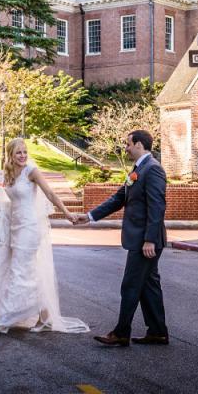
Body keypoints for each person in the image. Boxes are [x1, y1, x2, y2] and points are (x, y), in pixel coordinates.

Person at [71, 129, 169, 347]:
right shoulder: (138, 170)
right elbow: (118, 199)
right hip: (142, 239)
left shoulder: (152, 170)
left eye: (128, 144)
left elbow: (157, 206)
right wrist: (88, 217)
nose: (125, 148)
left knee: (131, 286)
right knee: (148, 286)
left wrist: (150, 239)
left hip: (146, 241)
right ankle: (158, 332)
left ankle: (121, 333)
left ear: (139, 145)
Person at [0, 138, 89, 335]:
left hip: (30, 227)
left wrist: (67, 213)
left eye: (25, 152)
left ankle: (3, 320)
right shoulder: (7, 173)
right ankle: (45, 316)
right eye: (18, 153)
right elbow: (3, 199)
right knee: (30, 272)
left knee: (19, 271)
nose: (23, 156)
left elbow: (50, 193)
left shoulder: (31, 171)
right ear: (11, 156)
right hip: (14, 228)